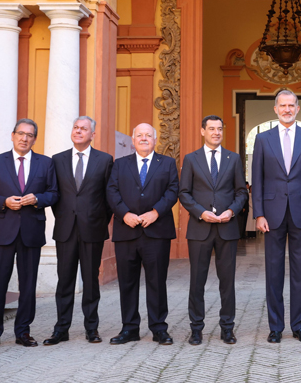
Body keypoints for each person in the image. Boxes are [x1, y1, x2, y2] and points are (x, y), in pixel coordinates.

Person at [0, 119, 59, 351]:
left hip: (31, 231)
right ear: (12, 135)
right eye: (21, 134)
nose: (24, 138)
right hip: (3, 231)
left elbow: (53, 194)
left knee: (28, 284)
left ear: (35, 138)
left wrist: (37, 199)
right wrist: (3, 201)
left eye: (30, 135)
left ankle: (23, 331)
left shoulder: (46, 163)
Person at [252, 89, 301, 343]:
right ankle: (275, 327)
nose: (287, 109)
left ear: (297, 108)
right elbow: (257, 180)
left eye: (291, 105)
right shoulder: (262, 139)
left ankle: (300, 326)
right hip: (271, 214)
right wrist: (258, 213)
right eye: (282, 105)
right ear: (275, 109)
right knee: (273, 271)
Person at [43, 116, 114, 346]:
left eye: (84, 129)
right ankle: (61, 329)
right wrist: (64, 216)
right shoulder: (57, 160)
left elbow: (108, 198)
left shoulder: (104, 160)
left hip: (93, 229)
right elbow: (54, 195)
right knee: (64, 281)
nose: (78, 131)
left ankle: (91, 329)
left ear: (92, 134)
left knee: (91, 281)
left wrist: (99, 220)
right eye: (75, 127)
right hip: (65, 230)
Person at [106, 123, 179, 346]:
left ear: (155, 140)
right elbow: (111, 190)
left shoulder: (167, 163)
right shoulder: (120, 164)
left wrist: (156, 212)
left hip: (157, 231)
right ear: (133, 140)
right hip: (126, 230)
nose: (144, 138)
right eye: (140, 135)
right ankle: (129, 328)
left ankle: (159, 328)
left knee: (157, 281)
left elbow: (173, 190)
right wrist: (124, 213)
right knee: (127, 283)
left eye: (148, 135)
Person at [179, 115, 248, 346]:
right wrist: (200, 212)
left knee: (227, 282)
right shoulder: (191, 159)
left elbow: (241, 192)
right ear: (202, 131)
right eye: (211, 129)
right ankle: (196, 329)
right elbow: (184, 193)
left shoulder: (234, 158)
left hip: (227, 229)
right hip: (199, 228)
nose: (216, 132)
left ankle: (227, 328)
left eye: (219, 128)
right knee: (197, 281)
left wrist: (231, 211)